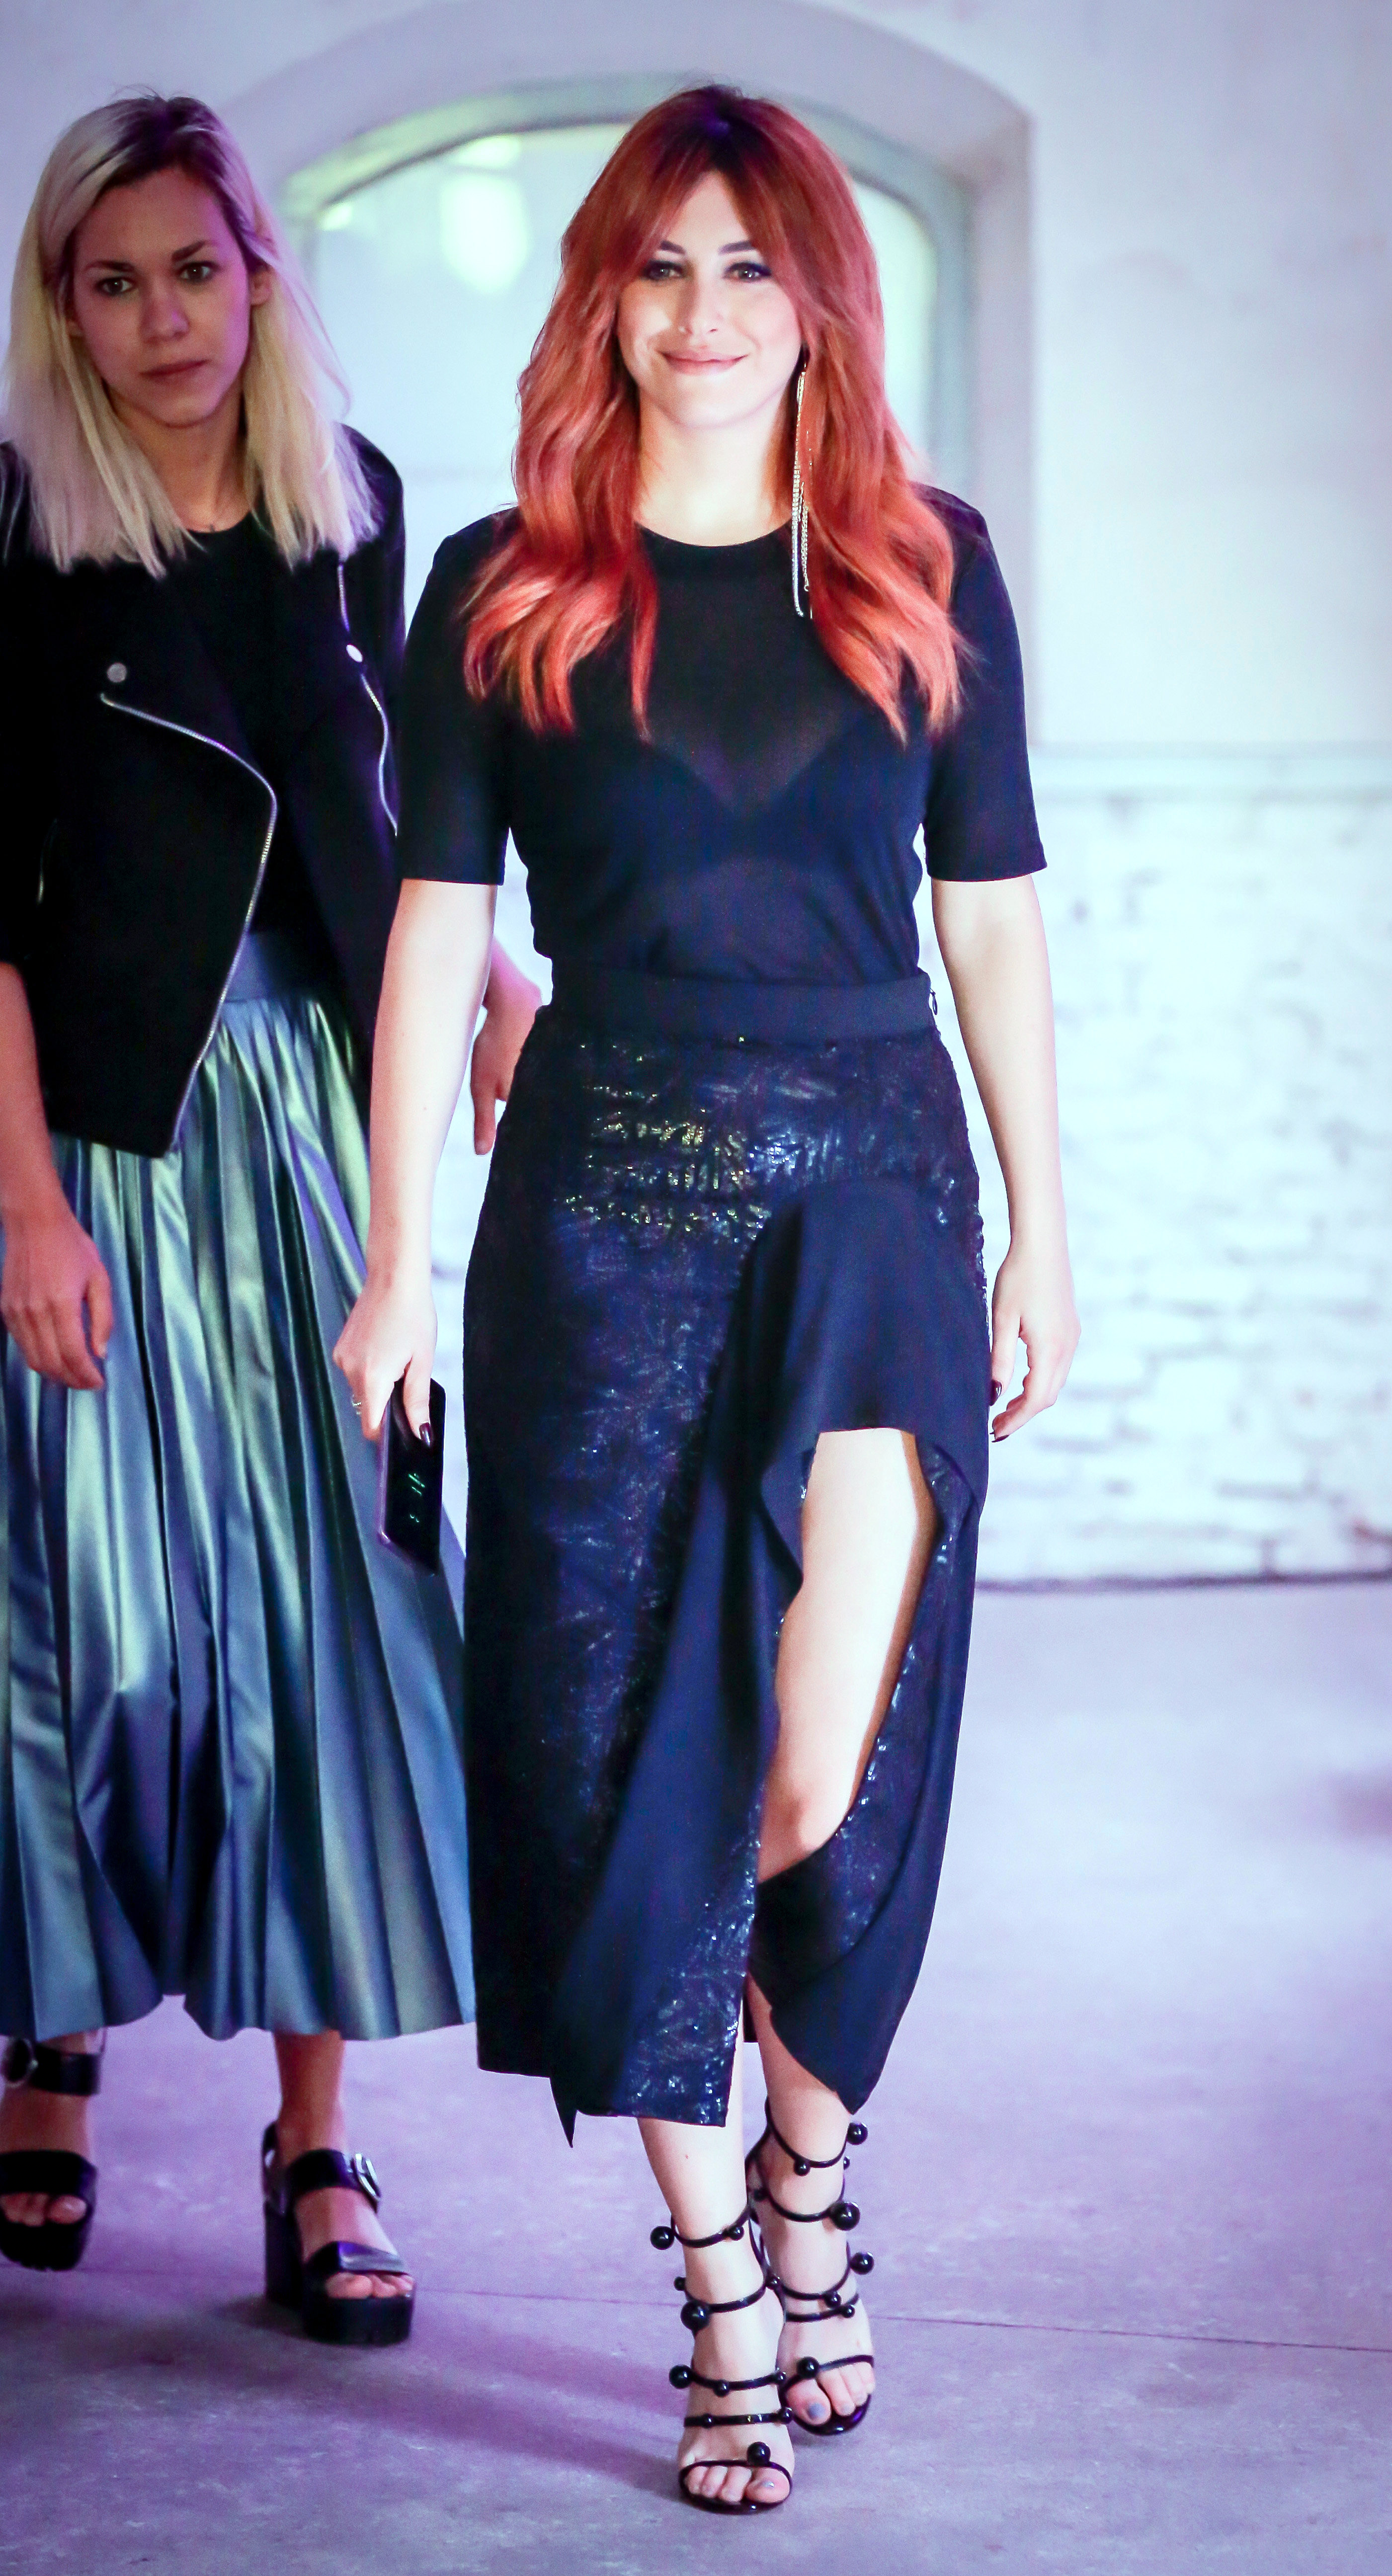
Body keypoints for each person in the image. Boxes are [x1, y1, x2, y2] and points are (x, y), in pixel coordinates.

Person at [336, 83, 1078, 2492]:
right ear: (604, 298)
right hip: (602, 1214)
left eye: (753, 263)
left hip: (873, 1199)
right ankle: (723, 2284)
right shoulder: (507, 584)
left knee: (812, 1772)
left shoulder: (928, 566)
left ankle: (809, 2166)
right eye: (660, 264)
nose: (705, 309)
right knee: (610, 1756)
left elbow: (993, 916)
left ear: (823, 298)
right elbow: (433, 940)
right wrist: (395, 1267)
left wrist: (1049, 1220)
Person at [0, 93, 539, 2342]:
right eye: (110, 283)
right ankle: (48, 2042)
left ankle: (316, 2141)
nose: (162, 321)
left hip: (321, 1121)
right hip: (107, 1136)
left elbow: (390, 817)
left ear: (259, 273)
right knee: (88, 1627)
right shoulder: (25, 528)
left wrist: (492, 974)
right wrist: (21, 1203)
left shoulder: (355, 507)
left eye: (194, 271)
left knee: (340, 1622)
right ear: (64, 308)